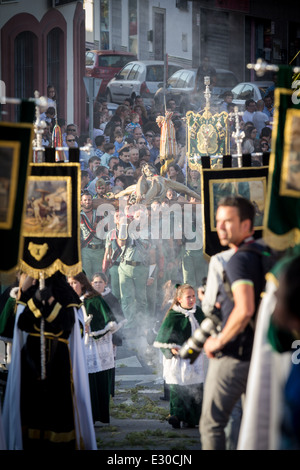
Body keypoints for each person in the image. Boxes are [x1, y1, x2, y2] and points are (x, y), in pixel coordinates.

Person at [199, 196, 268, 450]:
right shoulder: (267, 253)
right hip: (262, 354)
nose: (221, 228)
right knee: (256, 426)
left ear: (247, 225)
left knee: (211, 424)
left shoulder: (237, 259)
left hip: (236, 353)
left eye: (228, 221)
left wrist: (219, 340)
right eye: (218, 222)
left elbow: (245, 308)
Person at [2, 271, 97, 450]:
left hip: (57, 360)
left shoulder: (66, 297)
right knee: (32, 405)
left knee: (57, 405)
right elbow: (23, 323)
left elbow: (67, 325)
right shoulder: (31, 296)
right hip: (31, 359)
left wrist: (51, 305)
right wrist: (36, 302)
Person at [154, 284, 207, 429]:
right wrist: (171, 351)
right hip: (177, 360)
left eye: (193, 296)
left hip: (195, 357)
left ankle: (193, 418)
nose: (191, 299)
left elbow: (207, 331)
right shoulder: (173, 315)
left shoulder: (199, 313)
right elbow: (162, 340)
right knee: (178, 388)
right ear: (179, 299)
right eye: (188, 297)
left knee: (195, 388)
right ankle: (176, 416)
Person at [68, 272, 117, 425]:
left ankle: (94, 415)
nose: (71, 286)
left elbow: (110, 323)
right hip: (77, 347)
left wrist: (91, 328)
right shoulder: (68, 301)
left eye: (74, 283)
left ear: (82, 283)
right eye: (69, 283)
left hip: (94, 349)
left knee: (94, 382)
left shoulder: (94, 299)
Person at [91, 272, 126, 397]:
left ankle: (109, 392)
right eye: (95, 282)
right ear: (91, 283)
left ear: (105, 283)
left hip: (109, 339)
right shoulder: (89, 298)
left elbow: (119, 320)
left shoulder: (111, 298)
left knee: (108, 365)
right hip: (93, 340)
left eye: (100, 282)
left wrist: (115, 341)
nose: (98, 284)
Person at [80, 191, 105, 281]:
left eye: (89, 200)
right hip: (86, 250)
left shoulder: (99, 214)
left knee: (98, 278)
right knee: (86, 277)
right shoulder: (79, 215)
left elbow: (107, 230)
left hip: (99, 250)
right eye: (85, 200)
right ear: (81, 202)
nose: (87, 202)